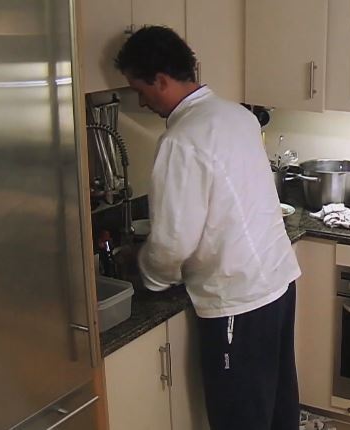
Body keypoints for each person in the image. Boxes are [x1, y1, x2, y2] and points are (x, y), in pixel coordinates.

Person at [114, 26, 302, 430]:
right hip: (278, 281)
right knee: (277, 407)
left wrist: (148, 273)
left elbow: (171, 241)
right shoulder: (236, 115)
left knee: (240, 417)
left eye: (140, 90)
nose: (143, 102)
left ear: (160, 80)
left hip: (238, 298)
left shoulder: (182, 140)